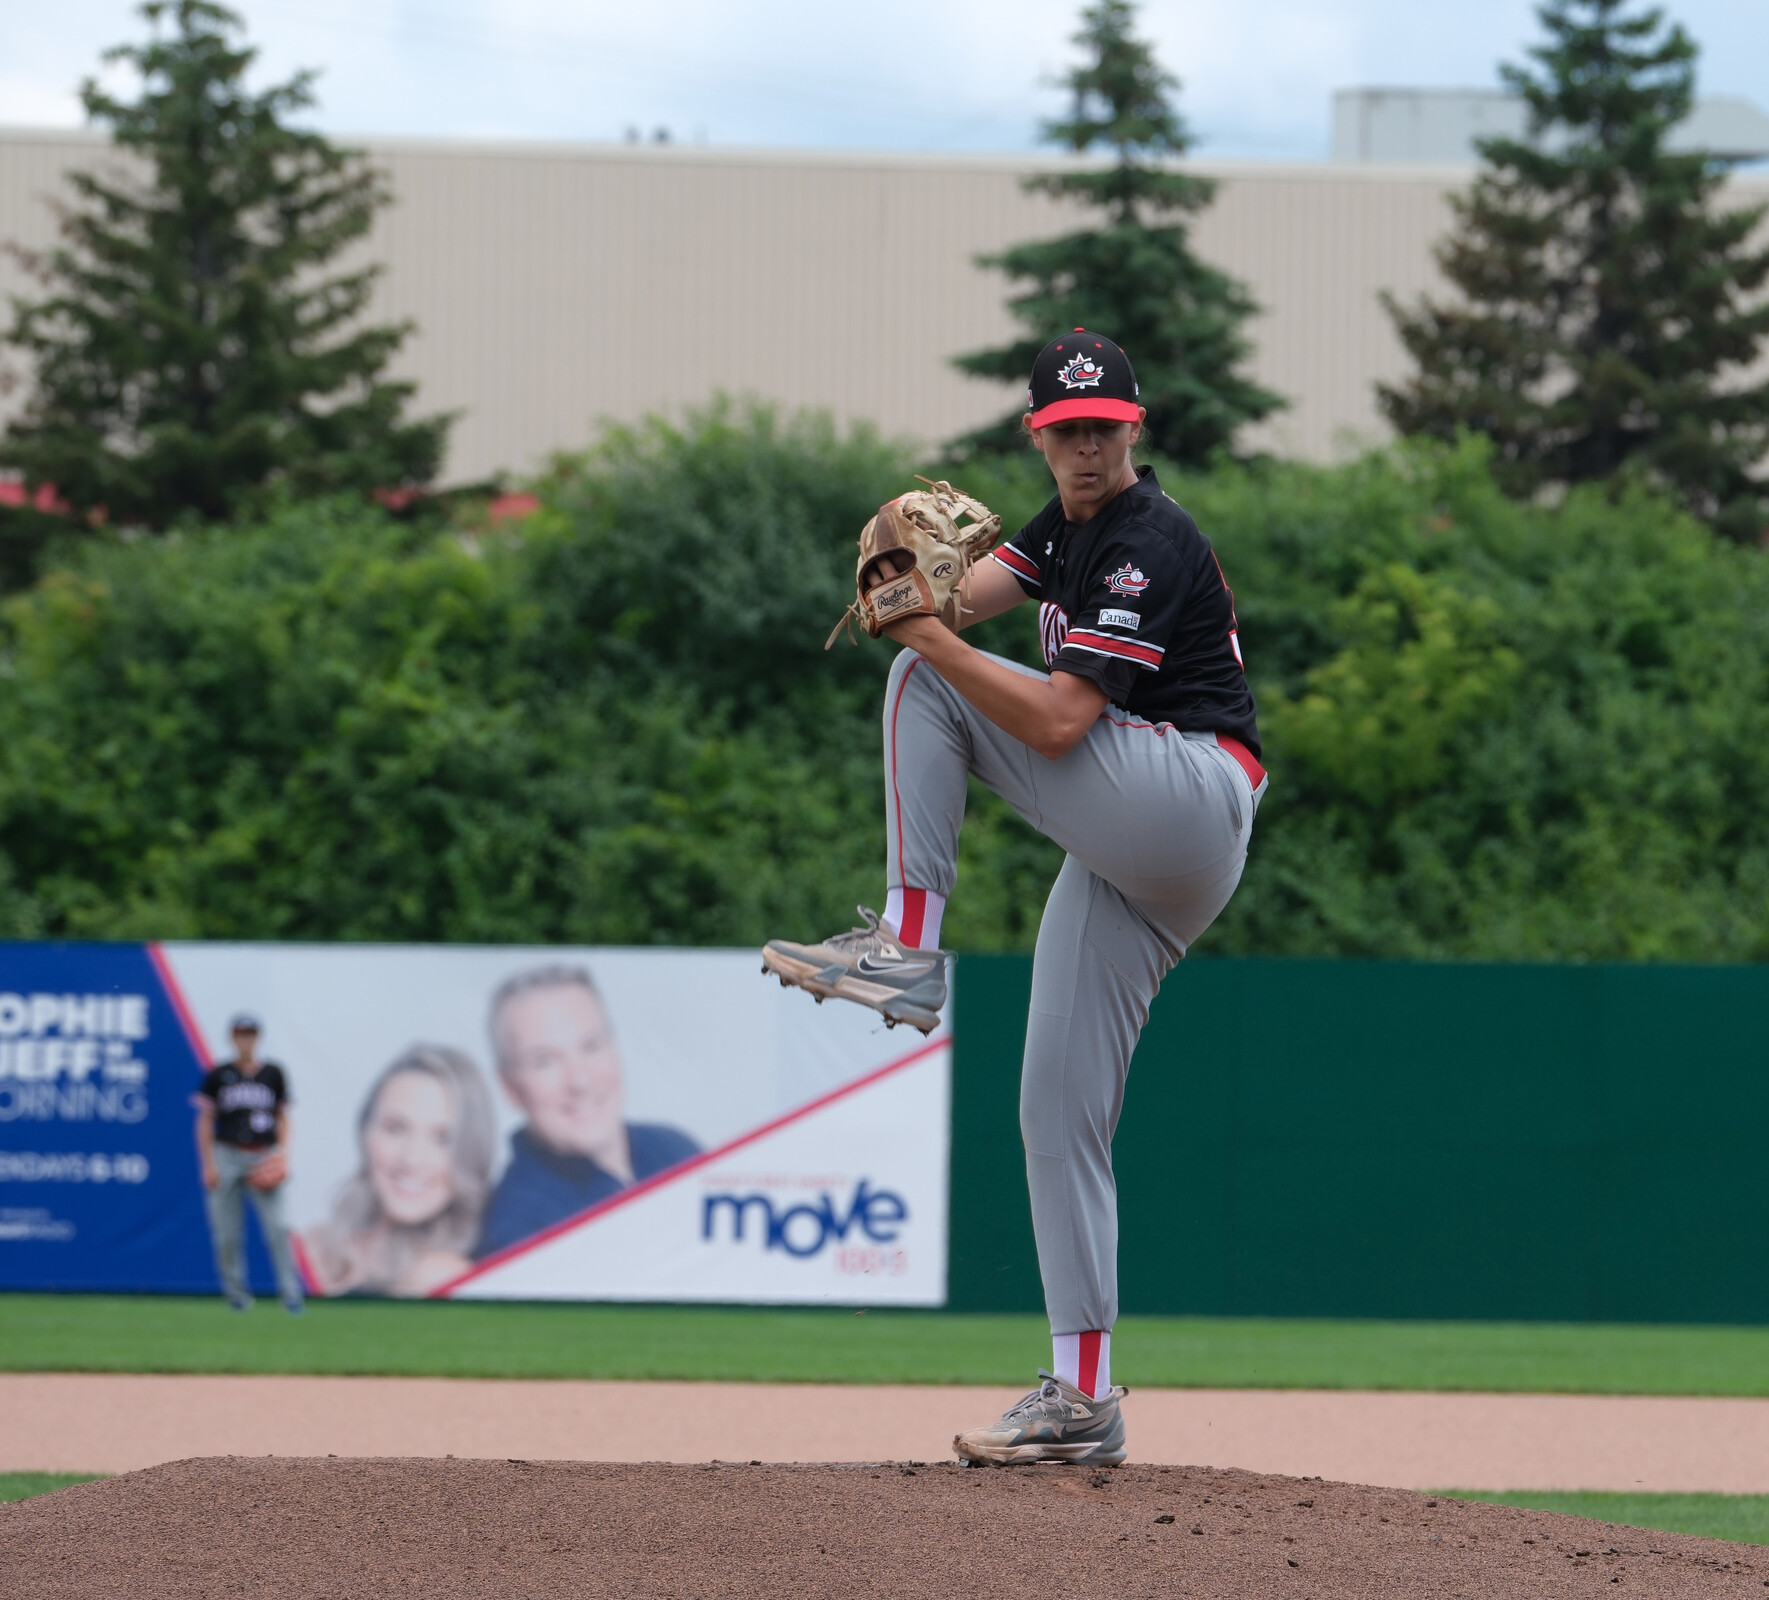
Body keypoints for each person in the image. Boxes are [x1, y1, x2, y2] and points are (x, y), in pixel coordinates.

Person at [762, 330, 1264, 1468]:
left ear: (1133, 428)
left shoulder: (1145, 539)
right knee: (1056, 1111)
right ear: (1038, 439)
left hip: (1188, 797)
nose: (1084, 446)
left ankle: (907, 945)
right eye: (1063, 431)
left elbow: (1050, 722)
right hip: (1135, 854)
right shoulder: (1062, 528)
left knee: (919, 678)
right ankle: (1083, 1397)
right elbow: (965, 601)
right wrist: (913, 585)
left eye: (1101, 427)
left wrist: (921, 631)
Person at [473, 964, 699, 1257]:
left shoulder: (676, 1150)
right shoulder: (515, 1234)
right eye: (545, 1061)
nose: (579, 1081)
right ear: (510, 1088)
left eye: (591, 1046)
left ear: (614, 1049)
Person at [303, 1044, 497, 1297]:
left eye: (443, 1139)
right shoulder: (312, 1245)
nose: (412, 1159)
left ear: (471, 1153)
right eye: (396, 1128)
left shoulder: (443, 1275)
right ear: (364, 1131)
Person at [192, 1011, 304, 1313]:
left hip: (264, 1153)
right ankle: (237, 1295)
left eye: (250, 1034)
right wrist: (208, 1165)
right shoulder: (219, 1074)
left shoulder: (273, 1073)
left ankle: (290, 1294)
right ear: (233, 1037)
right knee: (227, 1233)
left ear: (257, 1037)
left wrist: (283, 1154)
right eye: (241, 1033)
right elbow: (204, 1122)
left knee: (279, 1228)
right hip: (226, 1153)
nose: (246, 1039)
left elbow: (283, 1118)